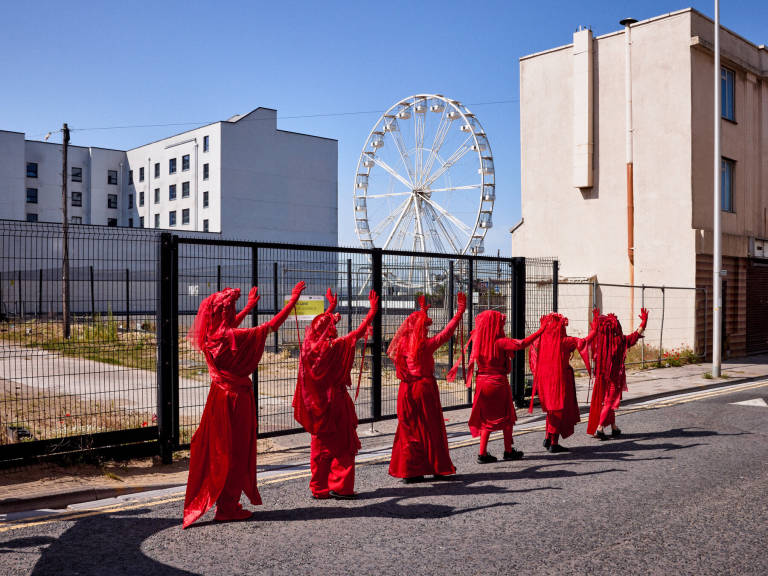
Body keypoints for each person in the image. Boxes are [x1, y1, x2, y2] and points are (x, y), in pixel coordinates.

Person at [183, 281, 306, 528]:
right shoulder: (233, 336)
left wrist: (249, 306)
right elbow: (271, 326)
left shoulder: (212, 335)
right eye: (232, 308)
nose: (233, 312)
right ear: (224, 313)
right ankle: (227, 507)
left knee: (221, 450)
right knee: (237, 452)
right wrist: (292, 301)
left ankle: (226, 503)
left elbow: (229, 327)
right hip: (237, 401)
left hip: (218, 398)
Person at [293, 288, 379, 500]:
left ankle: (319, 487)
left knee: (319, 447)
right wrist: (372, 312)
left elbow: (317, 325)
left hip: (315, 405)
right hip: (335, 403)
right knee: (343, 445)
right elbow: (356, 334)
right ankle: (341, 487)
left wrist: (330, 309)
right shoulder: (334, 347)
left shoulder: (308, 346)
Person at [448, 310, 545, 463]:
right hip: (498, 382)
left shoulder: (478, 340)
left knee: (486, 418)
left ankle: (482, 453)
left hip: (482, 382)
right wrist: (541, 330)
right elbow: (522, 344)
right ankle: (508, 450)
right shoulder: (500, 342)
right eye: (501, 323)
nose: (503, 325)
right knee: (507, 416)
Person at [388, 293, 466, 482]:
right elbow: (446, 333)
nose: (427, 330)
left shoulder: (402, 345)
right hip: (424, 388)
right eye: (426, 327)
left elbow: (415, 327)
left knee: (409, 429)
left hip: (406, 390)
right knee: (431, 428)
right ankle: (437, 467)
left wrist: (422, 312)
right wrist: (459, 312)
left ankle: (411, 470)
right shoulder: (425, 345)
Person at [528, 312, 596, 453]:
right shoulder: (564, 341)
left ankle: (548, 437)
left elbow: (533, 359)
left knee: (551, 410)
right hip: (560, 379)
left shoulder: (538, 340)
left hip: (544, 379)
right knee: (559, 410)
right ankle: (553, 442)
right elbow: (583, 341)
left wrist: (538, 376)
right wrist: (595, 330)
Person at [587, 308, 649, 440]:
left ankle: (614, 427)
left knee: (605, 402)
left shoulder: (599, 342)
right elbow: (636, 334)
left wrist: (595, 319)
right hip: (614, 378)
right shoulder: (621, 341)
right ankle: (600, 427)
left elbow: (595, 330)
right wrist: (644, 321)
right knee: (609, 402)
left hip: (601, 377)